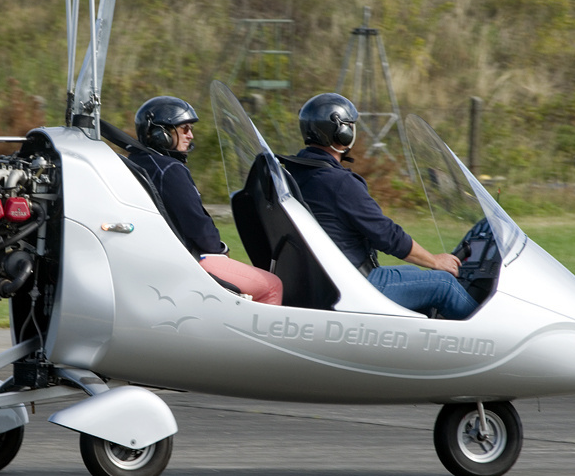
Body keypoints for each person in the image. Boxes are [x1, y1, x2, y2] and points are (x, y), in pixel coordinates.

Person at [286, 92, 476, 320]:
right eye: (350, 126)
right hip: (354, 285)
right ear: (342, 132)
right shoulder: (338, 183)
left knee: (415, 274)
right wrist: (435, 260)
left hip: (324, 281)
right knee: (443, 284)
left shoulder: (294, 173)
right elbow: (387, 236)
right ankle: (497, 336)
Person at [125, 96, 284, 306]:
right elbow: (198, 225)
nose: (190, 135)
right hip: (192, 259)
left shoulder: (137, 162)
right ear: (161, 134)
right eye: (184, 129)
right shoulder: (170, 169)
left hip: (164, 255)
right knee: (272, 285)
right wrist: (220, 249)